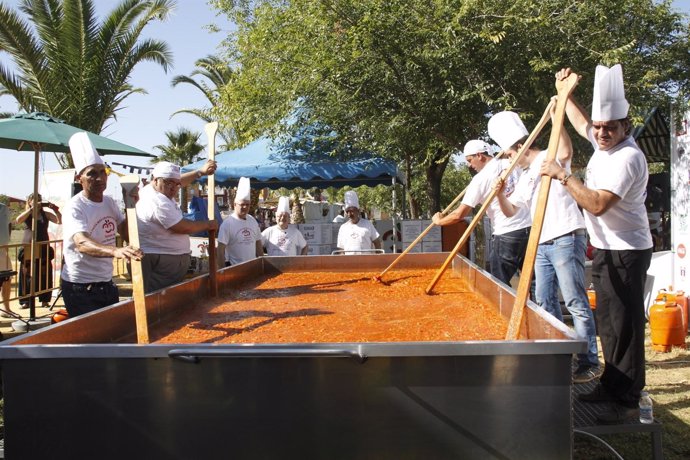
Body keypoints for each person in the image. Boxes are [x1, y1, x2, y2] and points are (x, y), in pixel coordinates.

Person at [542, 65, 653, 424]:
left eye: (610, 127)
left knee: (626, 326)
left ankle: (627, 399)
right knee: (606, 320)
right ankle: (610, 383)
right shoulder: (604, 140)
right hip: (606, 247)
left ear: (626, 127)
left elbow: (597, 204)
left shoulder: (627, 158)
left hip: (627, 250)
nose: (601, 133)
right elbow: (580, 124)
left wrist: (563, 175)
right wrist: (566, 96)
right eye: (600, 127)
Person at [490, 107, 600, 384]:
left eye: (509, 155)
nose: (509, 161)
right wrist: (500, 194)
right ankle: (557, 355)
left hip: (565, 236)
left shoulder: (546, 157)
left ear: (518, 148)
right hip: (539, 242)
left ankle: (589, 361)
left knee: (574, 299)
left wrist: (556, 116)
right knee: (544, 299)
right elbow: (512, 211)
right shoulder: (526, 174)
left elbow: (563, 151)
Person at [60, 132, 143, 317]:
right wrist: (115, 251)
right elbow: (81, 243)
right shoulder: (75, 207)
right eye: (92, 174)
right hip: (80, 287)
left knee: (110, 334)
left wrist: (131, 205)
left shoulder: (109, 202)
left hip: (106, 282)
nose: (99, 178)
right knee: (90, 340)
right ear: (78, 178)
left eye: (102, 172)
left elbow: (126, 233)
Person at [432, 139, 532, 287]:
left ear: (479, 156)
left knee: (498, 283)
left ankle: (505, 310)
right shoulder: (511, 164)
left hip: (507, 233)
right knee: (533, 279)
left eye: (469, 159)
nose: (468, 164)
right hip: (531, 229)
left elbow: (459, 214)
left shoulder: (479, 180)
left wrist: (439, 221)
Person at [136, 160, 219, 293]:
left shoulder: (157, 190)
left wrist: (200, 172)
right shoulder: (157, 201)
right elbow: (182, 227)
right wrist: (208, 224)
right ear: (156, 180)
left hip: (166, 259)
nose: (174, 188)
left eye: (176, 184)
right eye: (169, 183)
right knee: (159, 302)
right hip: (160, 261)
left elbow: (178, 181)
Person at [15, 193, 62, 308]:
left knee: (44, 273)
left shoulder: (45, 214)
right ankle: (25, 301)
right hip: (28, 247)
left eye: (39, 200)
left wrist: (55, 209)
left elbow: (58, 220)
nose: (38, 202)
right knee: (26, 273)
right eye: (34, 200)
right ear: (30, 202)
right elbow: (18, 220)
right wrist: (31, 209)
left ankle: (45, 300)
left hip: (43, 246)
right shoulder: (28, 214)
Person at [217, 176, 263, 266]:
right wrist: (222, 271)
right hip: (234, 267)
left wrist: (262, 264)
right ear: (235, 204)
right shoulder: (227, 224)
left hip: (252, 266)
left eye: (247, 204)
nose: (245, 207)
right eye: (242, 204)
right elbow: (220, 250)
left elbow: (258, 243)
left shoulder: (253, 221)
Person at [0, 202, 12, 317]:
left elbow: (9, 225)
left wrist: (6, 241)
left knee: (7, 280)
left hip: (3, 250)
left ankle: (6, 308)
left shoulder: (3, 207)